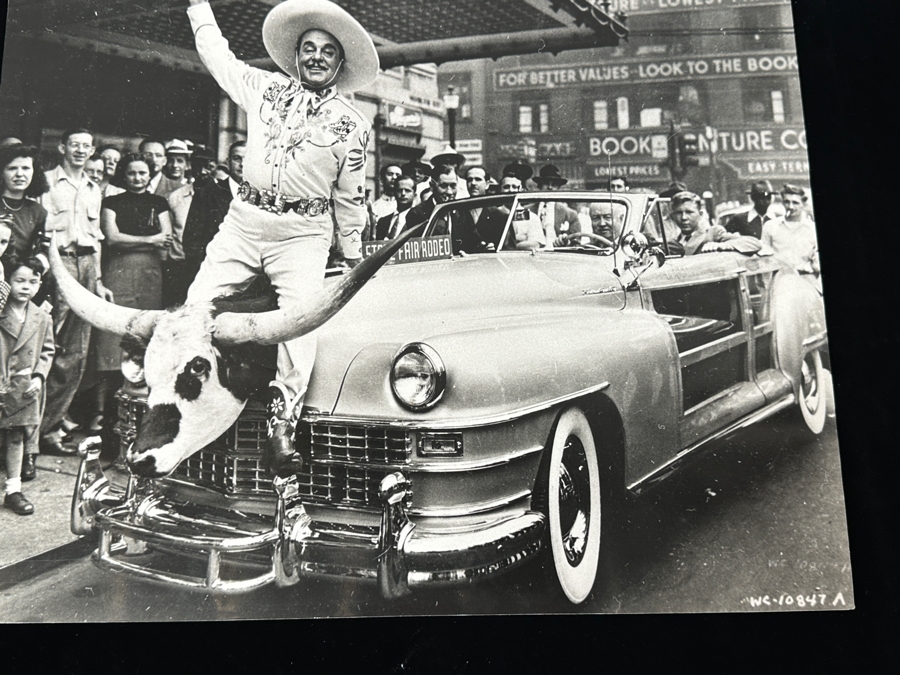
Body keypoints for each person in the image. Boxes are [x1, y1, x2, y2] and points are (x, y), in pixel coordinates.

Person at [185, 0, 377, 476]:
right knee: (195, 305)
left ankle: (282, 420)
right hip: (244, 221)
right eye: (308, 48)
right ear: (295, 55)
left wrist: (351, 258)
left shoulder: (352, 125)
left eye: (327, 51)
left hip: (304, 234)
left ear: (339, 63)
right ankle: (186, 402)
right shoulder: (264, 89)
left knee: (299, 321)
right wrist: (198, 8)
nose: (316, 57)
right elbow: (219, 58)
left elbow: (350, 200)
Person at [40, 128, 112, 457]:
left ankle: (50, 429)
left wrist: (97, 280)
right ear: (62, 147)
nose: (80, 150)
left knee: (76, 354)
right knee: (46, 348)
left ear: (92, 150)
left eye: (86, 145)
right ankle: (30, 431)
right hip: (58, 265)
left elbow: (95, 238)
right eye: (74, 145)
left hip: (85, 266)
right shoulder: (47, 182)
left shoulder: (93, 188)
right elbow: (43, 233)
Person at [93, 155, 172, 427]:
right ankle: (102, 413)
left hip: (150, 274)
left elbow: (167, 239)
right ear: (123, 176)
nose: (137, 178)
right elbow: (112, 238)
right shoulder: (111, 202)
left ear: (149, 175)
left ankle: (138, 409)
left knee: (144, 336)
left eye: (142, 173)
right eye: (131, 173)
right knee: (111, 339)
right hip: (118, 271)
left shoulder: (159, 203)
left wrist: (136, 242)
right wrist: (149, 240)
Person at [0, 256, 55, 514]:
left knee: (16, 436)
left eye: (33, 282)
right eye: (19, 280)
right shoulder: (0, 310)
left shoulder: (42, 317)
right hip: (1, 380)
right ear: (7, 282)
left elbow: (47, 351)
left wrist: (39, 376)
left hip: (23, 386)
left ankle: (13, 489)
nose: (26, 287)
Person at [164, 144, 218, 306]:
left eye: (208, 167)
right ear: (190, 166)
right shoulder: (176, 197)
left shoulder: (224, 196)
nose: (202, 172)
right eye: (198, 166)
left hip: (212, 268)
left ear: (215, 166)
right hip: (180, 267)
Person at [670, 191, 760, 255]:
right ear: (673, 215)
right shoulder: (673, 241)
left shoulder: (713, 233)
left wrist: (722, 245)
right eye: (678, 213)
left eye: (689, 212)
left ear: (700, 214)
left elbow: (754, 243)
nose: (683, 218)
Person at [761, 184, 819, 283]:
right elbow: (764, 259)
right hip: (780, 282)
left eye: (795, 203)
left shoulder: (812, 228)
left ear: (803, 204)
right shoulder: (771, 226)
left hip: (807, 280)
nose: (791, 207)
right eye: (787, 202)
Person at [374, 174, 415, 240]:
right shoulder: (382, 221)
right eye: (399, 190)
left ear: (414, 194)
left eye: (407, 190)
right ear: (394, 193)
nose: (403, 194)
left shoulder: (418, 220)